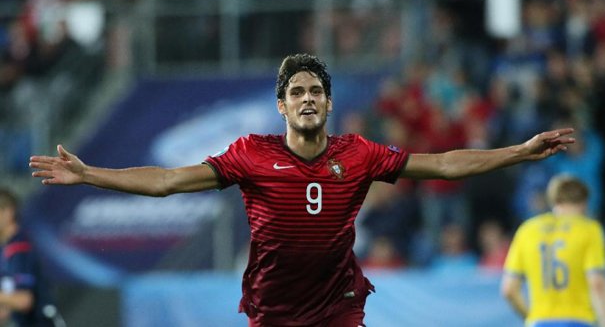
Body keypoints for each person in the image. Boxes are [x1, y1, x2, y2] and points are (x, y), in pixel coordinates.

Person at [29, 53, 575, 327]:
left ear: (329, 103)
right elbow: (171, 180)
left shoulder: (359, 154)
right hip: (274, 309)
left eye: (317, 90)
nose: (308, 98)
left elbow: (444, 165)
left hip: (337, 304)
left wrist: (520, 151)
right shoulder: (252, 154)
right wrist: (91, 174)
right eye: (297, 92)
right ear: (282, 106)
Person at [501, 175, 605, 327]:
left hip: (539, 321)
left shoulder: (527, 230)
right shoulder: (589, 230)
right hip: (579, 320)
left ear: (553, 200)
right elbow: (597, 283)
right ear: (585, 203)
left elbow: (509, 289)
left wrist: (531, 318)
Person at [0, 188, 59, 327]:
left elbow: (24, 301)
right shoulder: (6, 248)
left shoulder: (20, 247)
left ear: (8, 212)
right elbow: (9, 303)